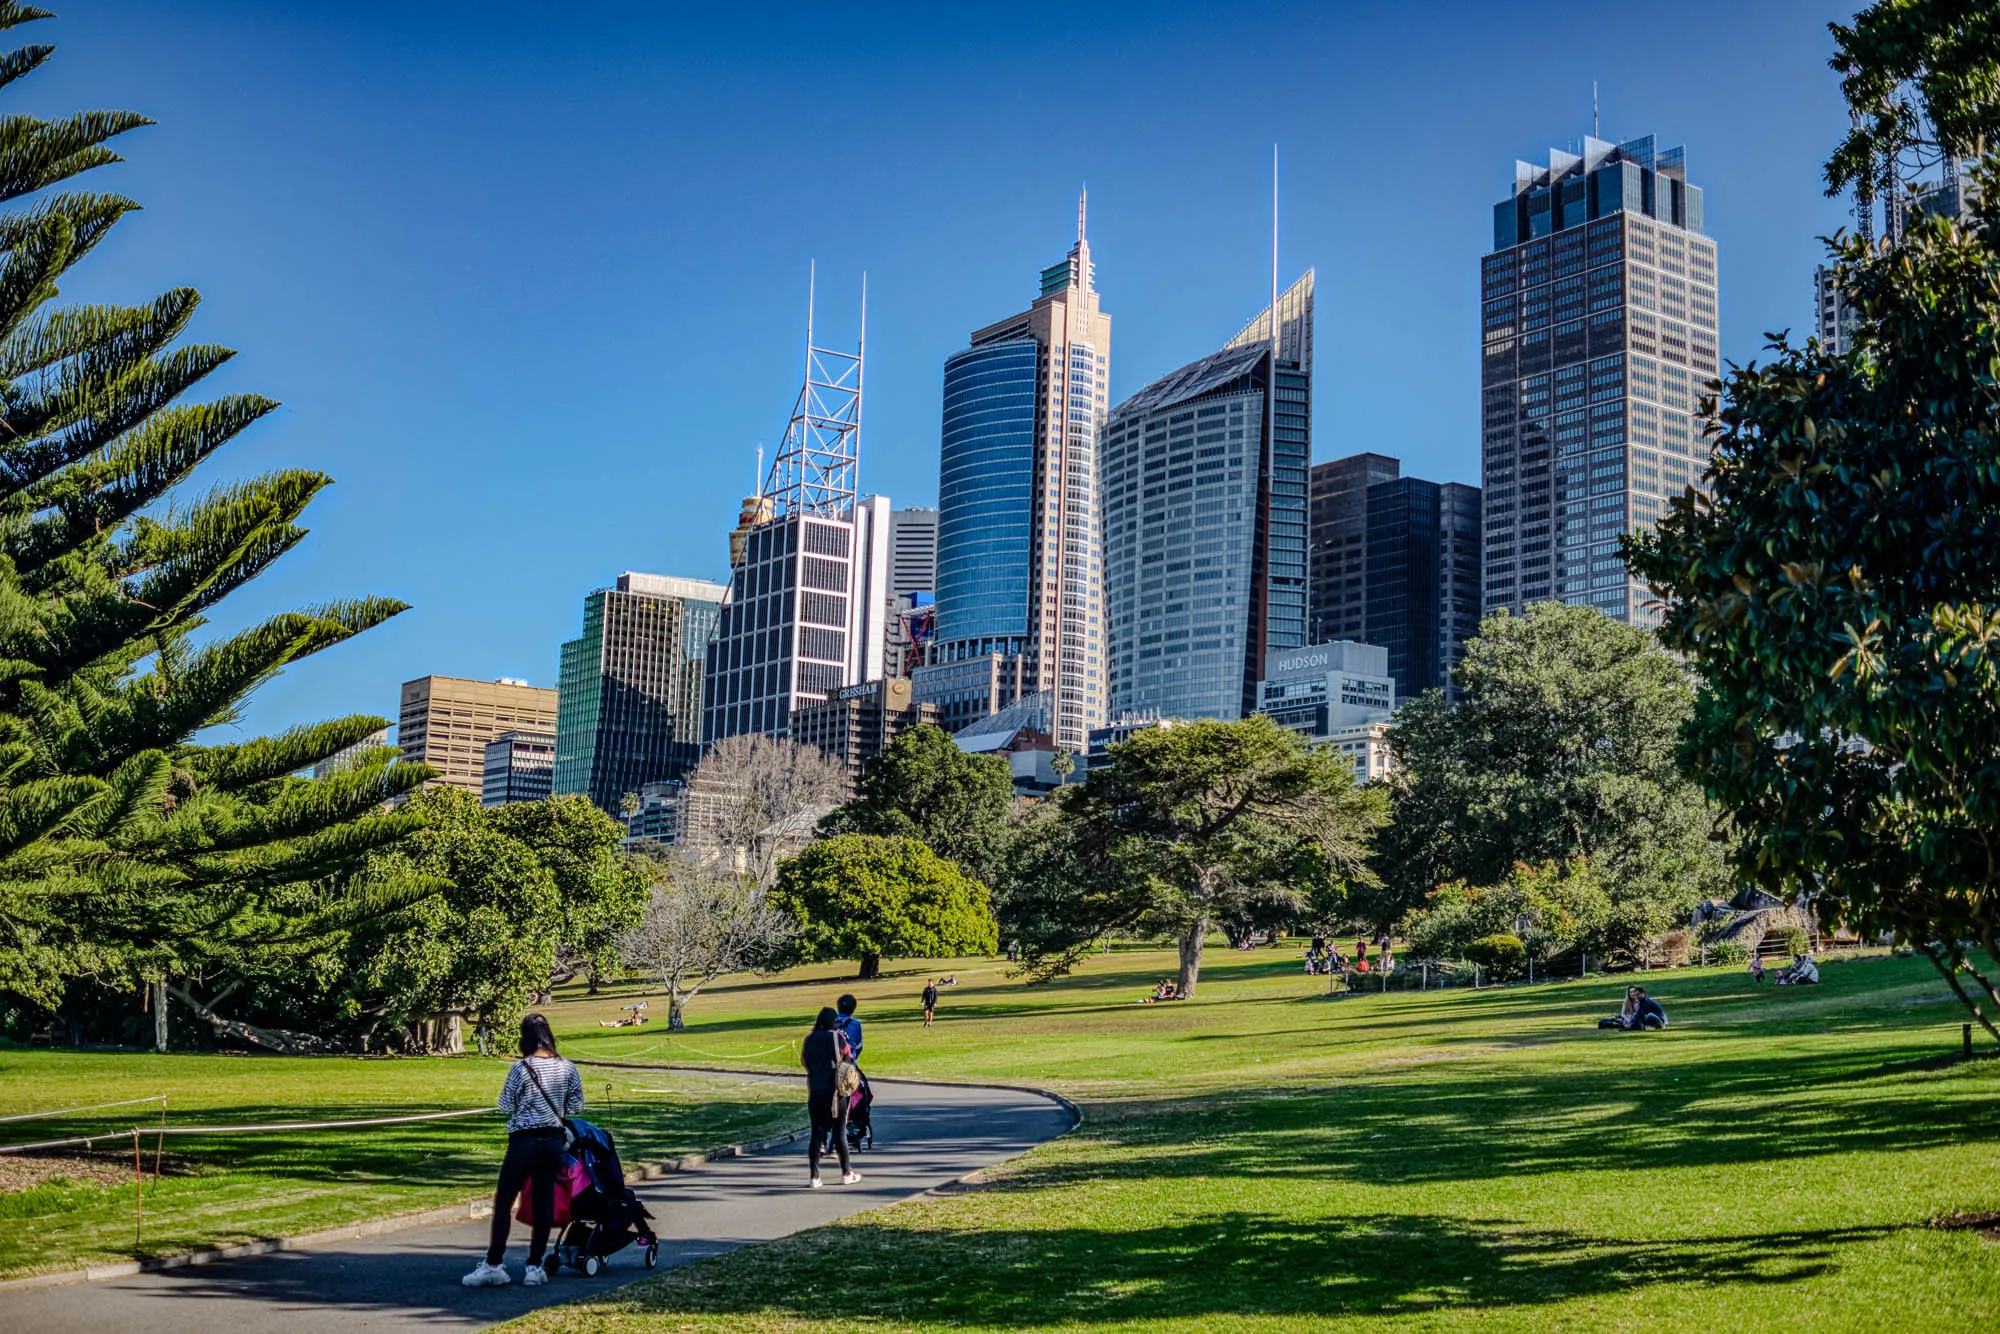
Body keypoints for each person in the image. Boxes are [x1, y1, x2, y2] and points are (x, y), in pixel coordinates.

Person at [463, 1014, 582, 1288]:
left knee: (504, 1200)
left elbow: (505, 1104)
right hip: (553, 1140)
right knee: (543, 1202)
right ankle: (534, 1265)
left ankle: (494, 1263)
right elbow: (575, 1105)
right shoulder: (567, 1067)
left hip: (524, 1141)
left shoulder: (521, 1068)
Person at [801, 1007, 861, 1187]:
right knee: (839, 1132)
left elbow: (804, 1061)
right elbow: (848, 1059)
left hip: (815, 1091)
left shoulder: (809, 1038)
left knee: (816, 1134)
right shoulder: (838, 1037)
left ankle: (814, 1176)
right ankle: (846, 1172)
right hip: (836, 1093)